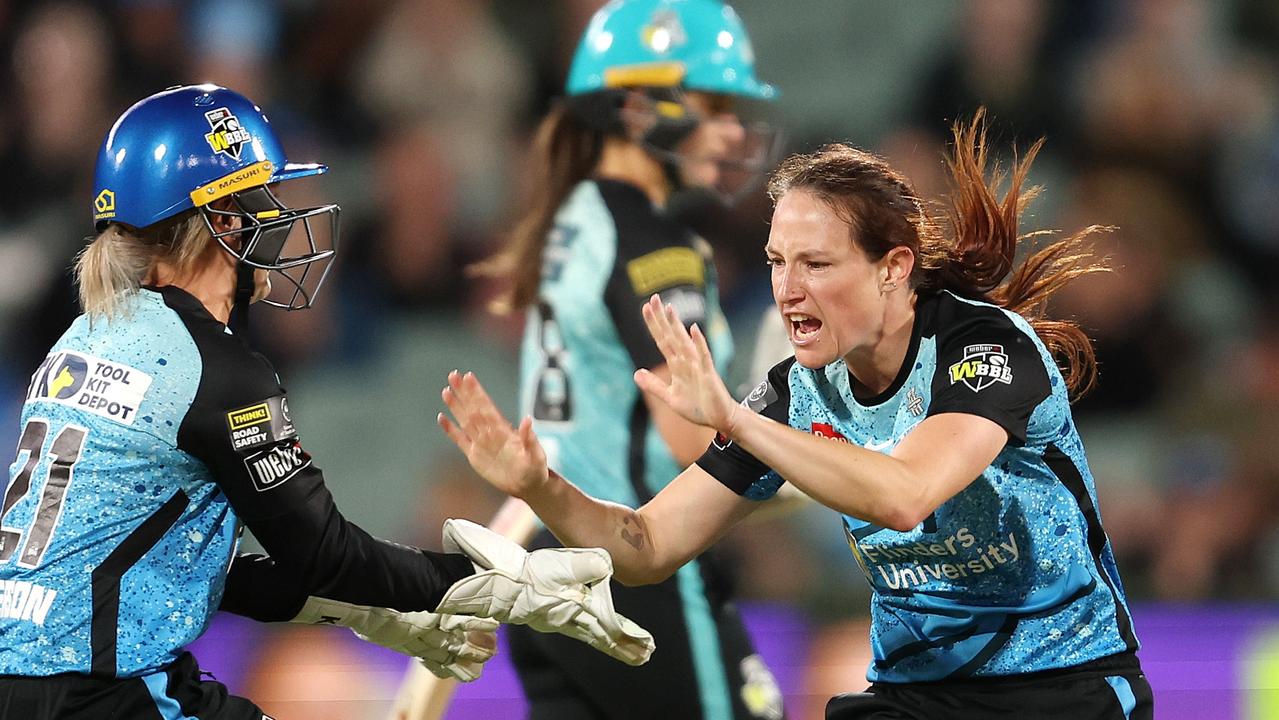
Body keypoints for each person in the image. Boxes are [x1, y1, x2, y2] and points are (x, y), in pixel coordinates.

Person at [440, 112, 1155, 720]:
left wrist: (737, 421)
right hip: (918, 696)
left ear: (893, 267)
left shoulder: (983, 348)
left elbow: (904, 495)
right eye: (778, 262)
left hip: (1065, 688)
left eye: (816, 264)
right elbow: (646, 547)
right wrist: (540, 486)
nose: (787, 289)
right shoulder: (794, 394)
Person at [0, 84, 652, 720]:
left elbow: (179, 570)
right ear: (222, 220)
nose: (284, 222)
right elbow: (325, 554)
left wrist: (375, 615)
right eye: (269, 202)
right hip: (105, 690)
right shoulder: (215, 368)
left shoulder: (82, 341)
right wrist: (514, 590)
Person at [461, 1, 786, 718]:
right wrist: (806, 449)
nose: (732, 129)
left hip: (543, 566)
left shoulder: (570, 217)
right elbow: (696, 441)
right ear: (640, 109)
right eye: (715, 103)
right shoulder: (653, 242)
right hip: (632, 568)